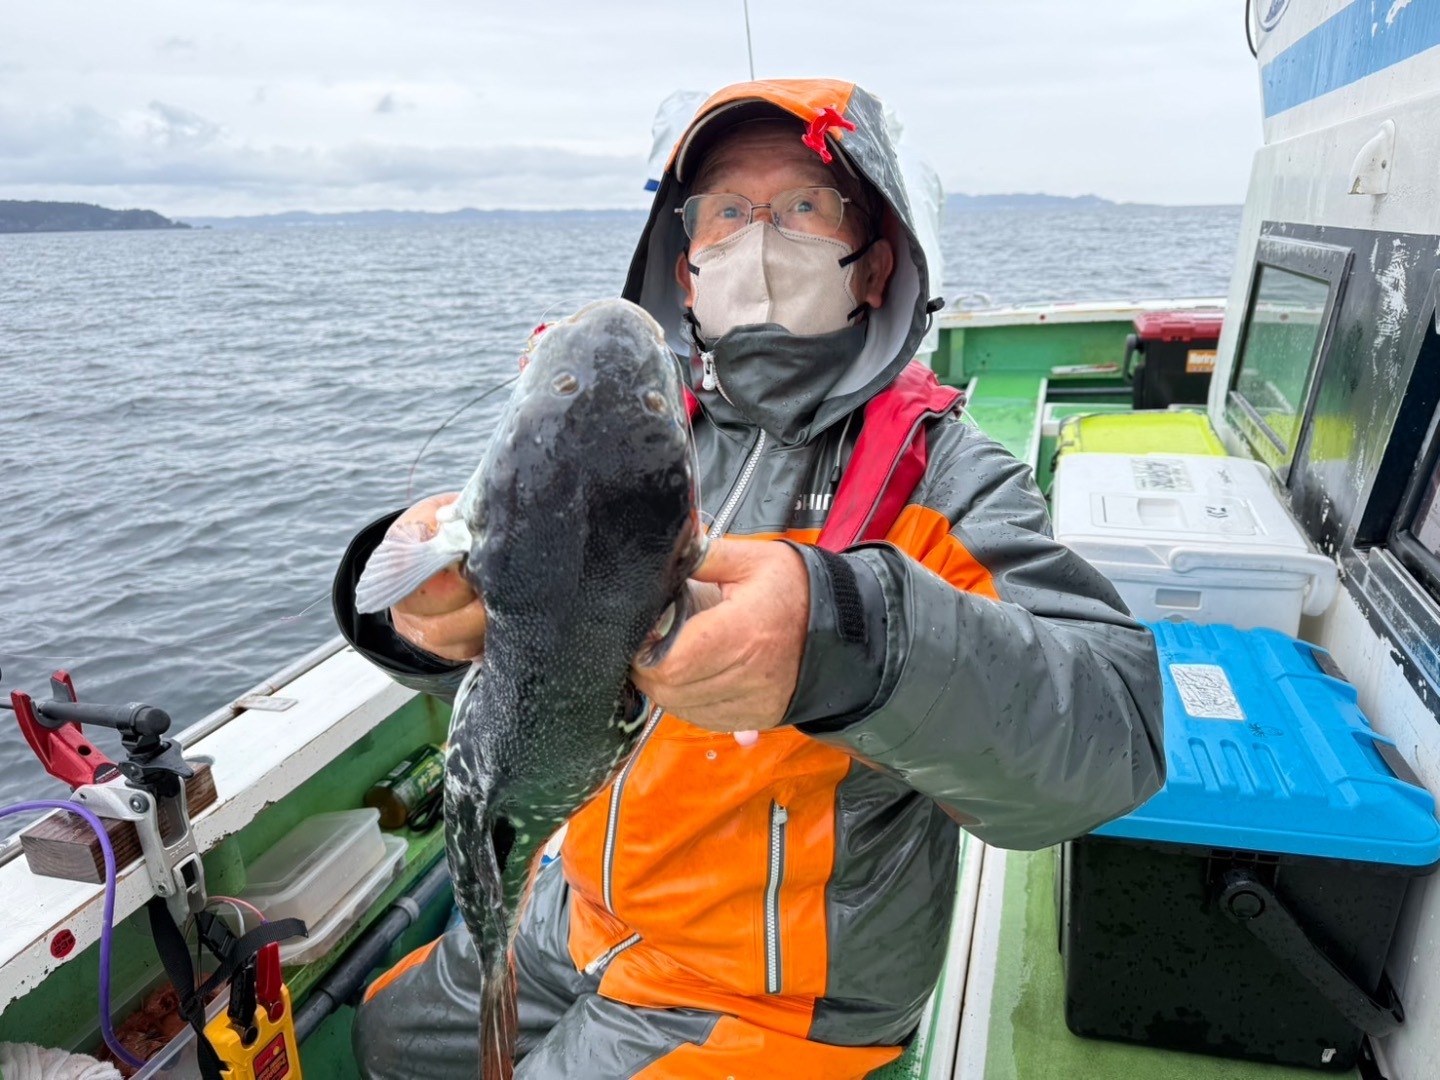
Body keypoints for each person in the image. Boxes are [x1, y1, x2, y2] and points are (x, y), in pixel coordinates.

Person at [332, 78, 1165, 1079]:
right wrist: (418, 621)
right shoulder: (628, 432)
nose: (758, 240)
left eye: (804, 206)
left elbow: (1113, 739)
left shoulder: (947, 479)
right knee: (387, 1036)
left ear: (875, 266)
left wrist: (843, 641)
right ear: (685, 269)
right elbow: (515, 658)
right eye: (726, 211)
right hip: (578, 910)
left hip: (770, 993)